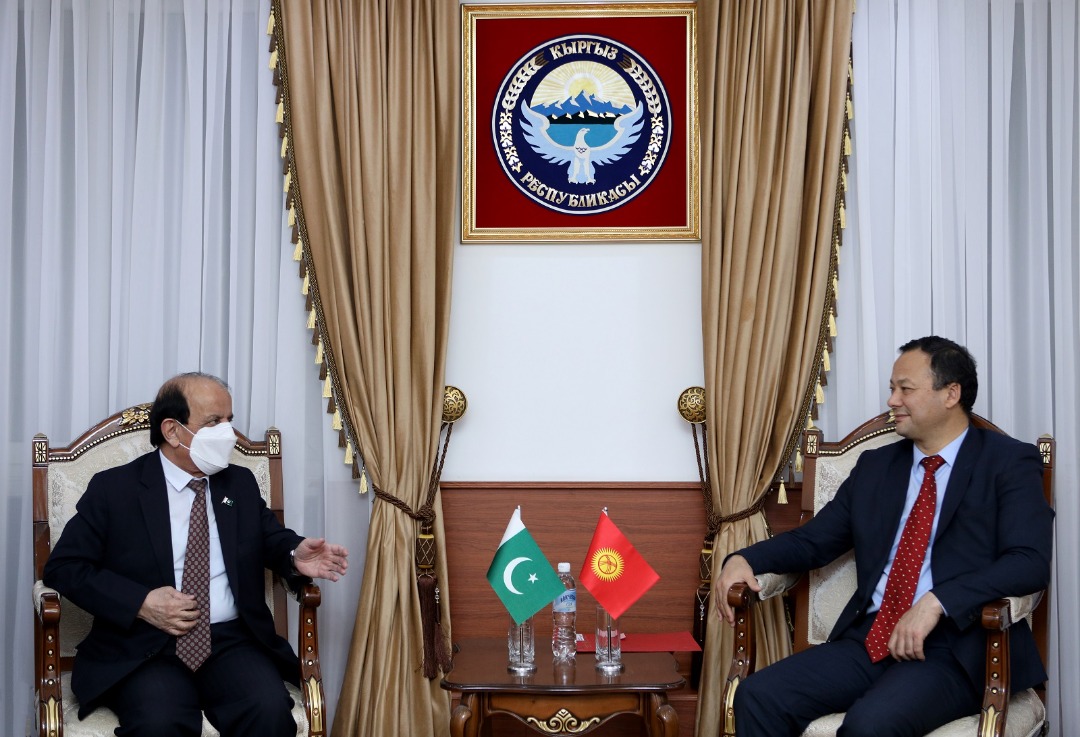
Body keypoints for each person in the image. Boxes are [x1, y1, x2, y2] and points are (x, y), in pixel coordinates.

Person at [715, 336, 1054, 737]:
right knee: (758, 696)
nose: (892, 400)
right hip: (872, 638)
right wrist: (745, 558)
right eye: (892, 388)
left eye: (905, 389)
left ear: (951, 394)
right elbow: (813, 542)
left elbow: (1028, 562)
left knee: (870, 725)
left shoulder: (1007, 461)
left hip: (955, 650)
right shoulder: (876, 466)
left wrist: (938, 602)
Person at [43, 372, 350, 737]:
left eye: (229, 420)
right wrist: (141, 602)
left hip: (231, 642)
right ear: (172, 431)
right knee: (160, 723)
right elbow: (64, 567)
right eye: (213, 422)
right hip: (146, 646)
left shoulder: (238, 483)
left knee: (268, 712)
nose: (228, 434)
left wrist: (294, 552)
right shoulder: (115, 489)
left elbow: (268, 536)